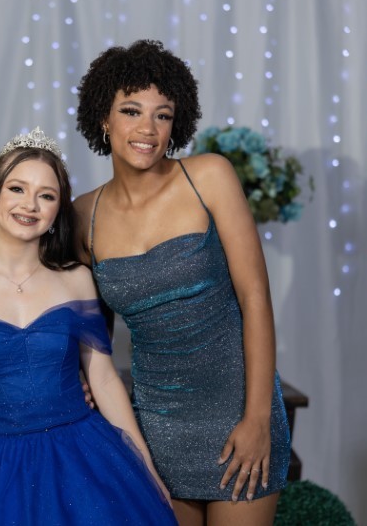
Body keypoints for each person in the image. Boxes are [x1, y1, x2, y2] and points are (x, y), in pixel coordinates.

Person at [0, 128, 178, 526]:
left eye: (46, 196)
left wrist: (145, 466)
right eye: (17, 189)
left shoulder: (76, 279)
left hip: (85, 456)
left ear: (56, 212)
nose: (29, 205)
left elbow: (102, 378)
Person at [71, 39, 291, 525]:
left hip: (239, 412)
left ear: (177, 124)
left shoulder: (209, 176)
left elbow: (255, 298)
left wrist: (257, 419)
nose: (147, 129)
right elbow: (86, 333)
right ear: (104, 118)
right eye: (131, 111)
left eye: (163, 115)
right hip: (156, 431)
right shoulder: (82, 216)